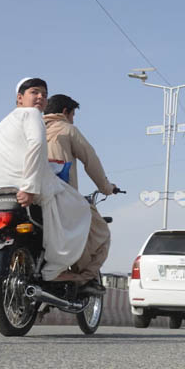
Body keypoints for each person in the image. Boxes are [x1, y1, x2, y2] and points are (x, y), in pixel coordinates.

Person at [0, 78, 91, 281]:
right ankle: (54, 270)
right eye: (35, 92)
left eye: (44, 94)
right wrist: (29, 187)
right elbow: (36, 145)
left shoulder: (1, 125)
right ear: (20, 98)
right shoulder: (32, 115)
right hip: (25, 185)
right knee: (81, 207)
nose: (41, 97)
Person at [43, 94, 119, 294]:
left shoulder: (29, 131)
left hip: (28, 197)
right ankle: (83, 279)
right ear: (65, 112)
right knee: (102, 234)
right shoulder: (68, 129)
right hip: (61, 198)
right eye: (73, 115)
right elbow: (91, 161)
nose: (73, 119)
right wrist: (107, 188)